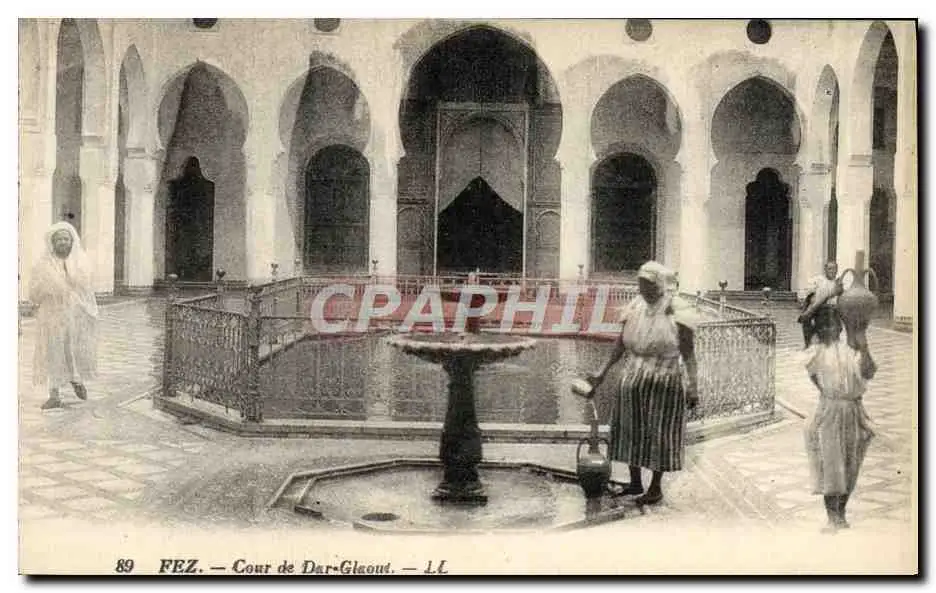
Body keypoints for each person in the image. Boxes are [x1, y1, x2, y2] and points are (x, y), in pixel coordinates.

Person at [586, 261, 699, 506]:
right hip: (633, 374)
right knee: (629, 429)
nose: (644, 289)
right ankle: (635, 481)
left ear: (660, 285)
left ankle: (655, 488)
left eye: (649, 284)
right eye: (641, 284)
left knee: (659, 432)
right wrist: (602, 372)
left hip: (664, 378)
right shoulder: (635, 307)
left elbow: (688, 351)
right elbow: (620, 344)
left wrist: (693, 386)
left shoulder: (677, 309)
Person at [803, 305, 876, 532]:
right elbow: (812, 373)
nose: (829, 329)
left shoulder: (850, 351)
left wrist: (864, 346)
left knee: (850, 463)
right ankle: (831, 517)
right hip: (829, 410)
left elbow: (869, 371)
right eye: (824, 325)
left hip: (853, 410)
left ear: (840, 327)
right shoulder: (816, 352)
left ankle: (842, 513)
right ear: (818, 329)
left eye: (833, 324)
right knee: (831, 464)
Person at [29, 221, 99, 410]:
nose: (62, 242)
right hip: (51, 314)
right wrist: (49, 287)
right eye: (58, 239)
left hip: (75, 314)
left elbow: (86, 287)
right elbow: (34, 292)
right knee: (53, 351)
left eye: (66, 239)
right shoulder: (43, 264)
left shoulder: (81, 262)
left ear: (72, 241)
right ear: (52, 242)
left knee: (73, 349)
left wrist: (71, 279)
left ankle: (76, 380)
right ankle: (54, 395)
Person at [797, 261, 842, 348]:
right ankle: (808, 344)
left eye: (834, 269)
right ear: (825, 270)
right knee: (810, 324)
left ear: (837, 270)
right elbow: (809, 296)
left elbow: (841, 298)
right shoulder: (818, 280)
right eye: (829, 269)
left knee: (836, 330)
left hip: (833, 310)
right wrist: (807, 309)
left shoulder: (838, 283)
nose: (832, 271)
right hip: (818, 309)